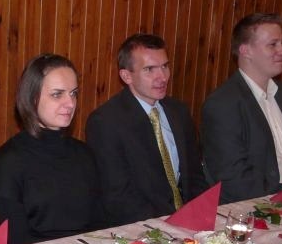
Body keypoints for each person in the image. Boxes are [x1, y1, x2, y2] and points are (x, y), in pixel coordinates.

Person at [0, 54, 107, 244]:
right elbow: (14, 242)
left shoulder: (84, 154)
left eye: (73, 93)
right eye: (57, 94)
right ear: (32, 98)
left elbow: (101, 224)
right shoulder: (7, 163)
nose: (70, 103)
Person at [86, 34, 206, 226]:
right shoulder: (106, 122)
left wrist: (199, 215)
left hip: (189, 222)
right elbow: (118, 195)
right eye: (149, 69)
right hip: (142, 227)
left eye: (164, 66)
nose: (162, 77)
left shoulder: (179, 111)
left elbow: (195, 175)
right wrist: (166, 227)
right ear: (126, 76)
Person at [201, 13, 282, 204]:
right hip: (258, 206)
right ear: (246, 51)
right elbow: (233, 178)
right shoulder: (223, 104)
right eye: (273, 44)